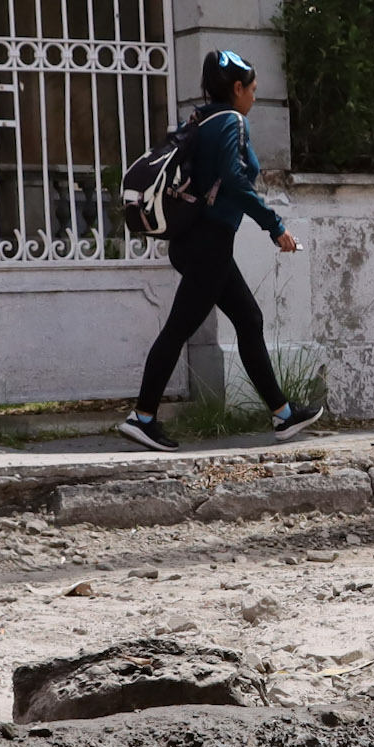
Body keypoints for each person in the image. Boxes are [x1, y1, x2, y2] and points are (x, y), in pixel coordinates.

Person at [117, 49, 323, 452]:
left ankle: (283, 414)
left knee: (249, 319)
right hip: (207, 246)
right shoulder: (231, 121)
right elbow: (234, 179)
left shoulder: (198, 120)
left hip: (196, 243)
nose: (255, 98)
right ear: (237, 88)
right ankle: (142, 418)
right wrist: (274, 227)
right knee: (179, 328)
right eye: (253, 90)